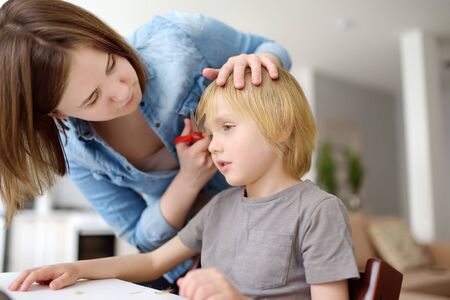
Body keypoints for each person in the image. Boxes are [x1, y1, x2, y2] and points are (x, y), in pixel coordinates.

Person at [0, 0, 291, 288]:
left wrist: (259, 63)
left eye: (112, 63)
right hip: (193, 268)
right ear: (58, 113)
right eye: (92, 98)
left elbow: (271, 51)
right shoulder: (79, 155)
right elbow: (148, 251)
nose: (122, 90)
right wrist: (187, 181)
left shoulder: (178, 38)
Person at [9, 68, 359, 299]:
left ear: (281, 126)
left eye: (227, 127)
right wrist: (75, 269)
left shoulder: (317, 211)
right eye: (209, 132)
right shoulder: (221, 207)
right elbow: (151, 264)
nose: (212, 144)